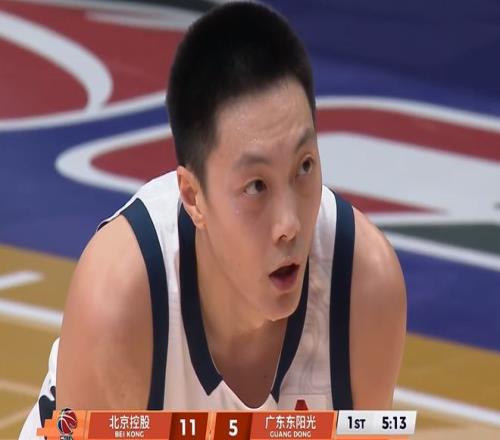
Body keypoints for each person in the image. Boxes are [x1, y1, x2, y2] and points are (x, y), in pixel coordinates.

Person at [20, 2, 406, 437]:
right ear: (193, 196)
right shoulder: (120, 298)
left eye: (304, 166)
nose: (290, 225)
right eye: (256, 186)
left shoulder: (365, 284)